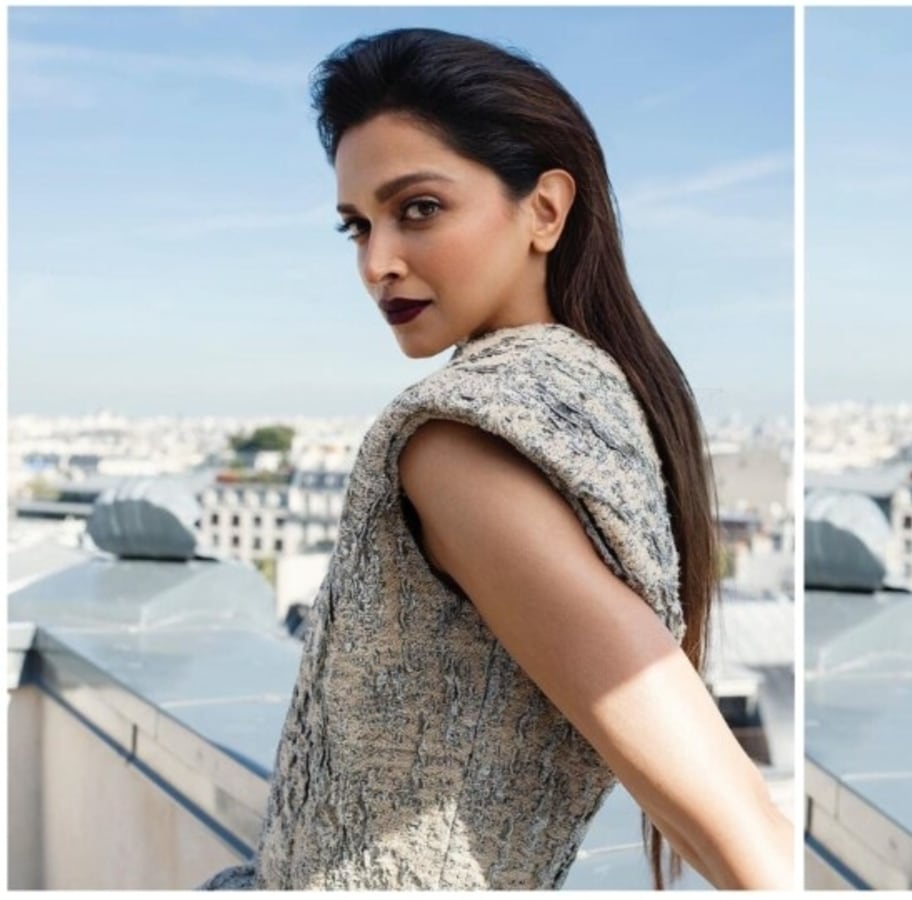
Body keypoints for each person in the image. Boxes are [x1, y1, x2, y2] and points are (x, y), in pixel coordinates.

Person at [197, 27, 792, 890]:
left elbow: (738, 828)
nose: (377, 262)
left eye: (419, 209)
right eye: (356, 226)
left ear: (545, 210)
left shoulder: (459, 445)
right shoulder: (603, 395)